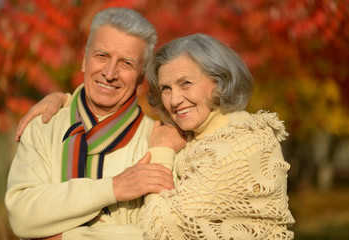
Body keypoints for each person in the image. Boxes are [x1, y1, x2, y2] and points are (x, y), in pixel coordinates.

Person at [16, 33, 295, 239]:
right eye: (166, 88)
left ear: (219, 82)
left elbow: (167, 230)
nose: (175, 100)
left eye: (186, 83)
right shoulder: (192, 132)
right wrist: (64, 100)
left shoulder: (242, 139)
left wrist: (68, 238)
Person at [5, 7, 186, 240]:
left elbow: (161, 233)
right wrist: (114, 188)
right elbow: (21, 217)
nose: (110, 73)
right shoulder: (42, 126)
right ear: (84, 60)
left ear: (141, 77)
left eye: (126, 63)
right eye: (101, 56)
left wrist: (66, 237)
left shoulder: (161, 141)